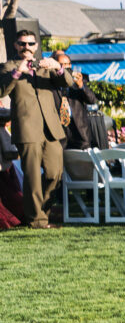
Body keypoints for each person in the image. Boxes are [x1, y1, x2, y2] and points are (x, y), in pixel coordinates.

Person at [1, 30, 72, 228]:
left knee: (54, 173)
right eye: (22, 44)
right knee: (31, 175)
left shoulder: (45, 65)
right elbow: (2, 91)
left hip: (51, 129)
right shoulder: (9, 67)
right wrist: (17, 72)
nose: (27, 48)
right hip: (27, 128)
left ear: (36, 46)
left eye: (30, 44)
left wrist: (58, 67)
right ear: (15, 45)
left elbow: (68, 82)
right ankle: (38, 221)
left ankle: (40, 211)